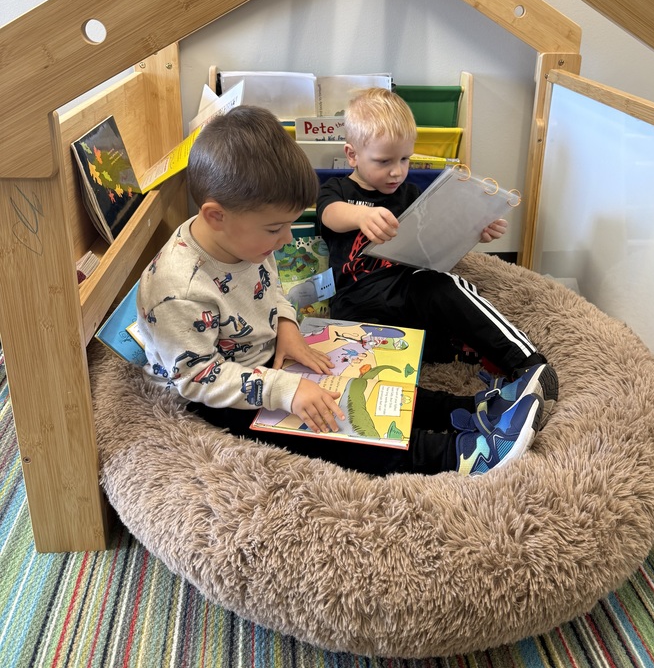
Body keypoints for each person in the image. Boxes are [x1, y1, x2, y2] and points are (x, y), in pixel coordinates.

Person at [136, 105, 547, 477]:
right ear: (215, 216)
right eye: (275, 229)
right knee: (337, 427)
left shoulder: (248, 237)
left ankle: (462, 409)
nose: (284, 242)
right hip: (219, 396)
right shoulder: (178, 289)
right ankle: (455, 454)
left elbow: (270, 290)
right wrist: (287, 390)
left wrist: (286, 325)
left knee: (362, 380)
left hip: (271, 354)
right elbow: (196, 377)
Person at [316, 87, 558, 427]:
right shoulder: (339, 191)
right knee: (372, 386)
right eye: (383, 161)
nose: (397, 172)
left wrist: (475, 231)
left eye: (404, 159)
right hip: (358, 305)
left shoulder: (411, 194)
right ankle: (468, 408)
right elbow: (328, 214)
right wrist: (360, 217)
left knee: (444, 287)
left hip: (410, 295)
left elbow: (434, 243)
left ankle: (526, 363)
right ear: (352, 155)